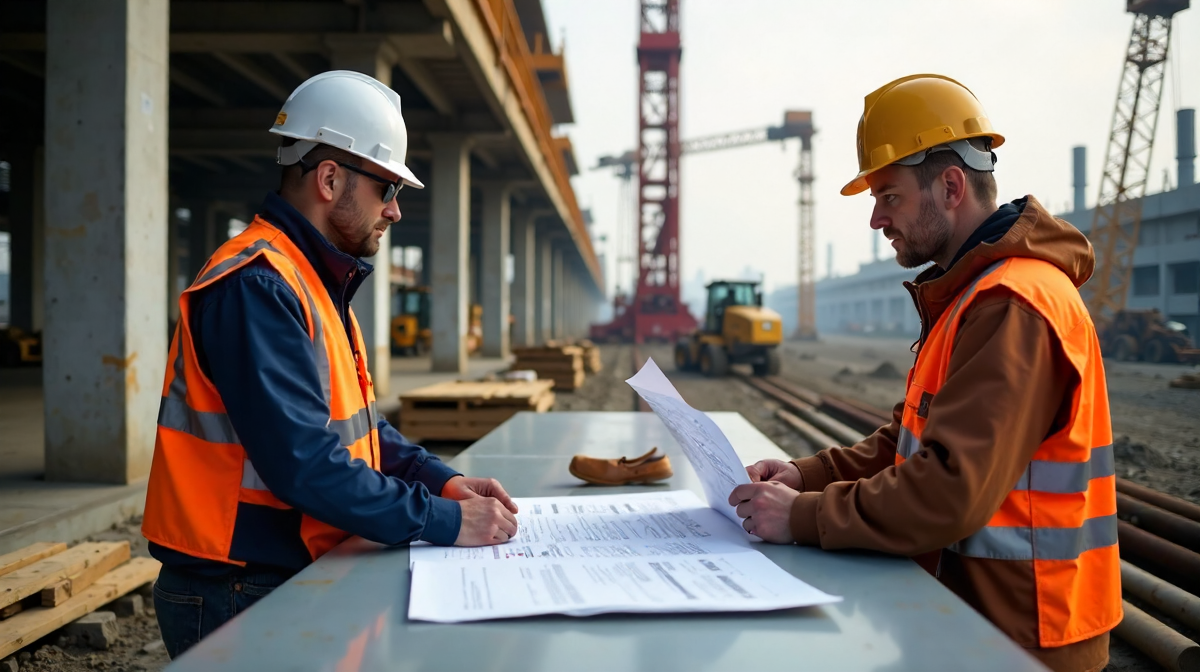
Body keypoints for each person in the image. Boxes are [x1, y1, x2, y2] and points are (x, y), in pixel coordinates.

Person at [729, 74, 1119, 672]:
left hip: (1024, 635)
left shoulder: (1011, 305)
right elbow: (910, 443)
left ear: (952, 186)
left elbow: (948, 487)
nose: (876, 220)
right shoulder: (974, 291)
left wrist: (802, 516)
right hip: (978, 618)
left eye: (889, 197)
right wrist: (806, 475)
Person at [142, 71, 519, 659]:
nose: (394, 211)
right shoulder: (257, 285)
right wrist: (444, 522)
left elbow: (361, 430)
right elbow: (307, 464)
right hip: (235, 584)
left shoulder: (310, 280)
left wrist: (439, 480)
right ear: (328, 178)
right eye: (387, 189)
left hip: (273, 570)